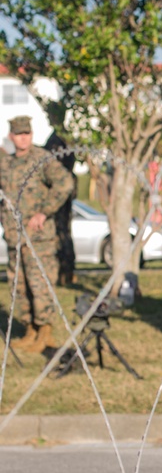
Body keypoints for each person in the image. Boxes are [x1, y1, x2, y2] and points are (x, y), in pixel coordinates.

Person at [0, 116, 75, 353]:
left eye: (27, 134)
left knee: (40, 284)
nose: (23, 138)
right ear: (12, 136)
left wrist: (44, 212)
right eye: (19, 134)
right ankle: (29, 329)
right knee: (19, 287)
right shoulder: (7, 163)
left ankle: (45, 332)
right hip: (14, 237)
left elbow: (65, 183)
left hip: (39, 238)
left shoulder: (41, 159)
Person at [42, 129, 77, 286]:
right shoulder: (61, 140)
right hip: (61, 193)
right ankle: (62, 274)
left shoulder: (60, 141)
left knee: (62, 233)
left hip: (61, 194)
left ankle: (66, 273)